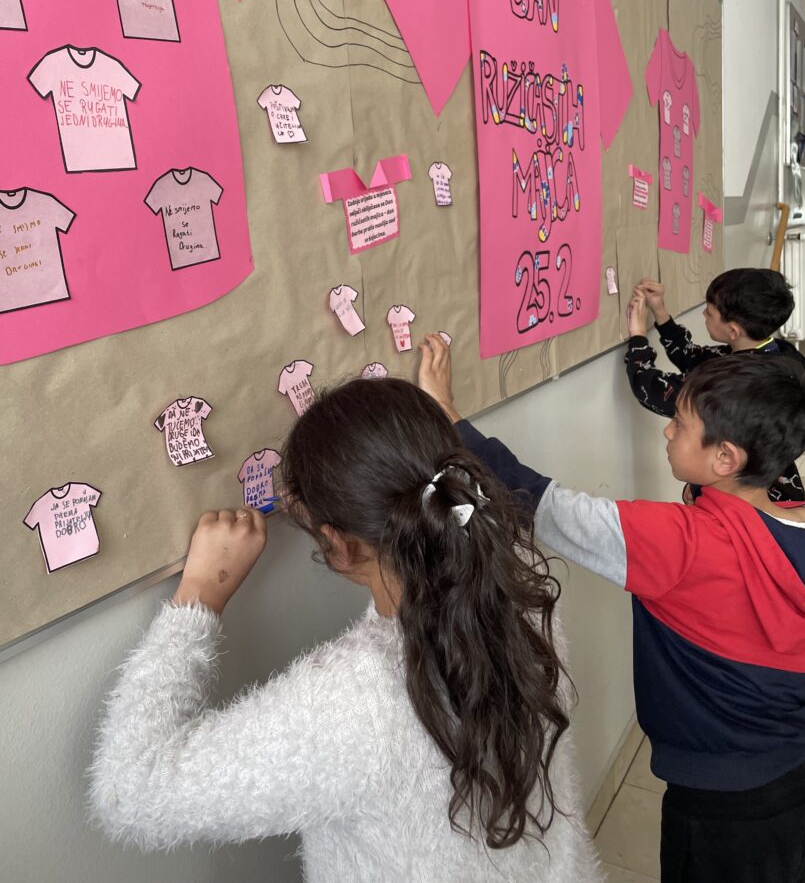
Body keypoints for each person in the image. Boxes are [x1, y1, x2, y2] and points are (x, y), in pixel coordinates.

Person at [89, 377, 603, 883]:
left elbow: (130, 791)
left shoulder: (357, 701)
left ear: (339, 545)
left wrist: (200, 596)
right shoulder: (520, 584)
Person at [418, 333, 805, 883]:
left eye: (680, 424)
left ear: (726, 457)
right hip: (794, 770)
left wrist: (446, 413)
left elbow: (536, 501)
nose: (667, 431)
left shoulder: (679, 543)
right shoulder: (798, 520)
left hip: (718, 802)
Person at [626, 268, 805, 502]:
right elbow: (690, 356)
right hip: (771, 479)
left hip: (744, 499)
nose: (703, 313)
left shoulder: (733, 388)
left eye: (709, 312)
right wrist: (660, 312)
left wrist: (638, 336)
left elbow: (650, 387)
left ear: (733, 330)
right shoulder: (776, 353)